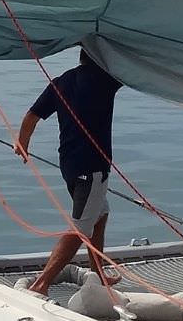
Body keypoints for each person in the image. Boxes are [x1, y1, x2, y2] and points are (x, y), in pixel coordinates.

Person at [13, 47, 123, 295]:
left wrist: (23, 143)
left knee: (100, 213)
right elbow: (135, 73)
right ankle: (42, 283)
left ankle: (98, 276)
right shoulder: (105, 80)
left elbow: (32, 115)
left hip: (69, 165)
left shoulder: (61, 81)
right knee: (81, 227)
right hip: (92, 168)